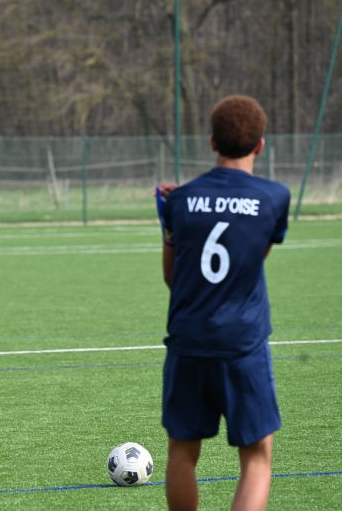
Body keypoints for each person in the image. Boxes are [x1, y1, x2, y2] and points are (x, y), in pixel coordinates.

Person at [157, 95, 290, 511]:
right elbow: (252, 262)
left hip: (188, 340)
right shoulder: (275, 197)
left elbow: (172, 278)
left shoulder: (180, 200)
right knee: (256, 458)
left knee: (182, 452)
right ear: (260, 145)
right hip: (242, 342)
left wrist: (169, 224)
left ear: (212, 141)